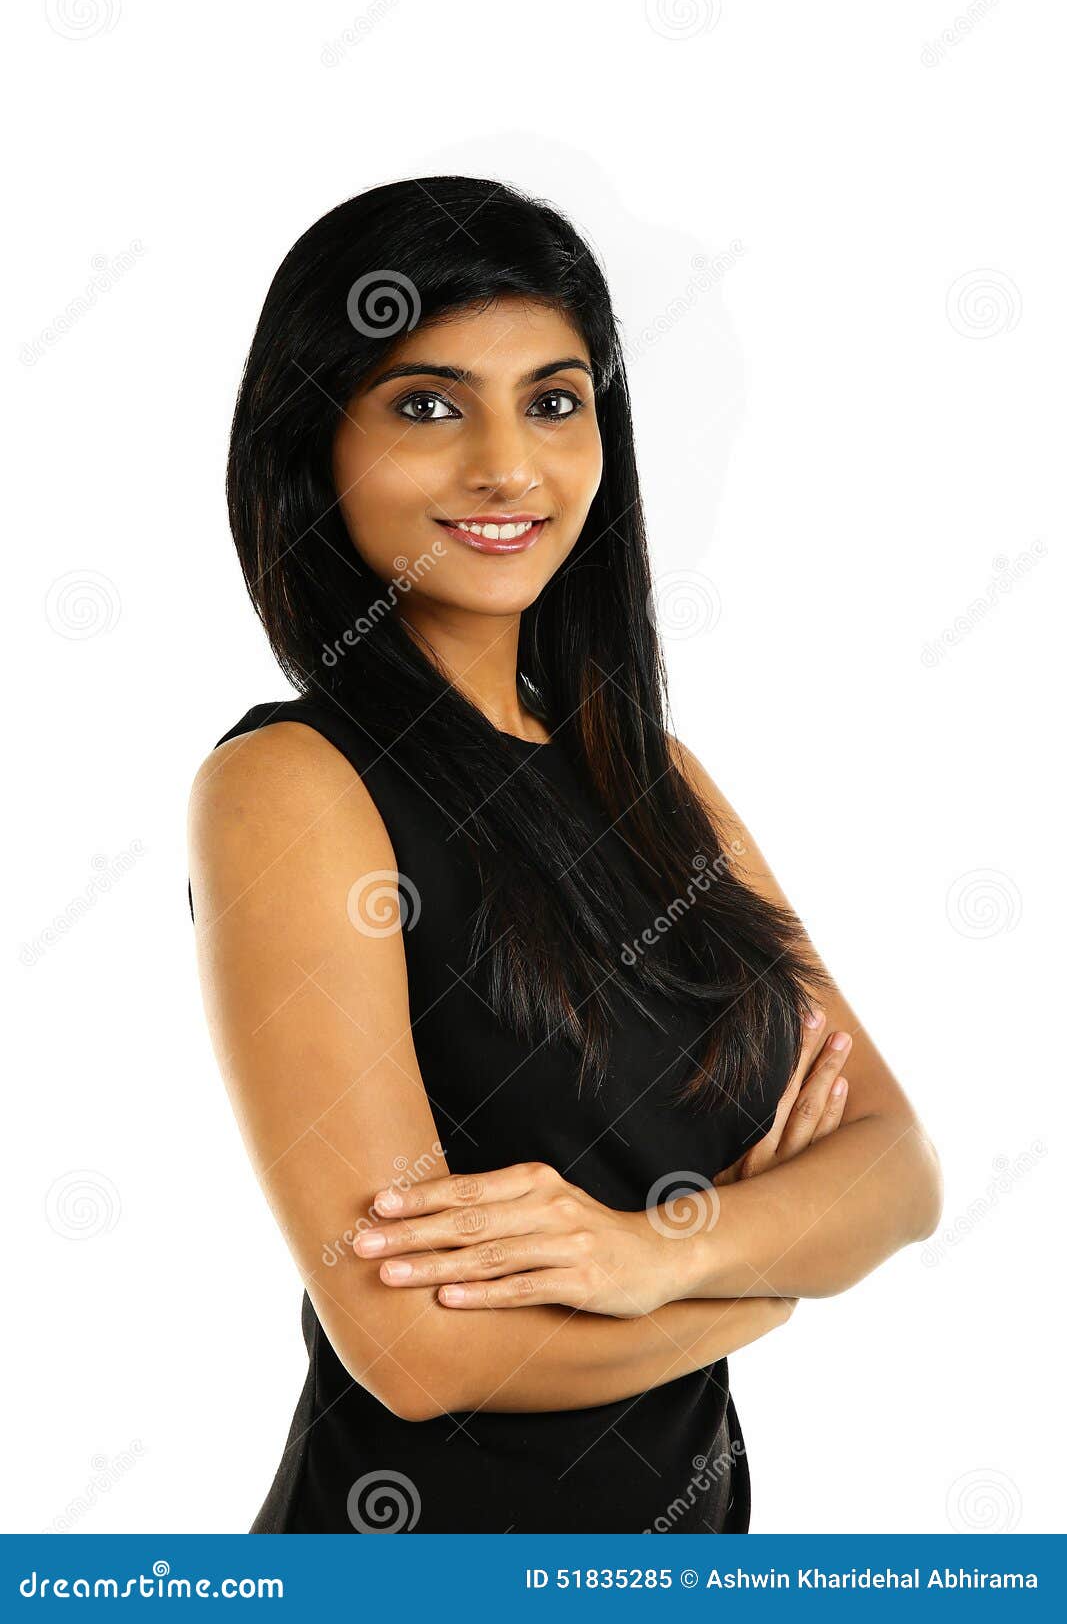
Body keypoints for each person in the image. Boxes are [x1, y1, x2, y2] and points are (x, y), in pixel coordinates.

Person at [187, 176, 942, 1533]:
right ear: (318, 447)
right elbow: (419, 1354)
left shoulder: (650, 775)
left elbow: (896, 1171)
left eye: (553, 399)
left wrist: (648, 1254)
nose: (507, 465)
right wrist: (760, 1283)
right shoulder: (289, 785)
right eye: (427, 404)